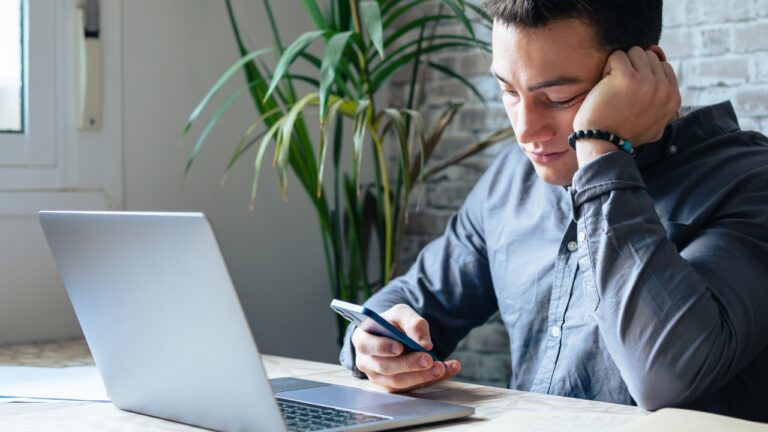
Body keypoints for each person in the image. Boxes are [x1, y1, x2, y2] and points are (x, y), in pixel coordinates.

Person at [340, 0, 768, 422]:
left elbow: (667, 374)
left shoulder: (747, 183)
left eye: (559, 98)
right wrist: (374, 342)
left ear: (641, 71)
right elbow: (412, 299)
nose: (525, 131)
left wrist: (601, 151)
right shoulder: (512, 178)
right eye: (508, 90)